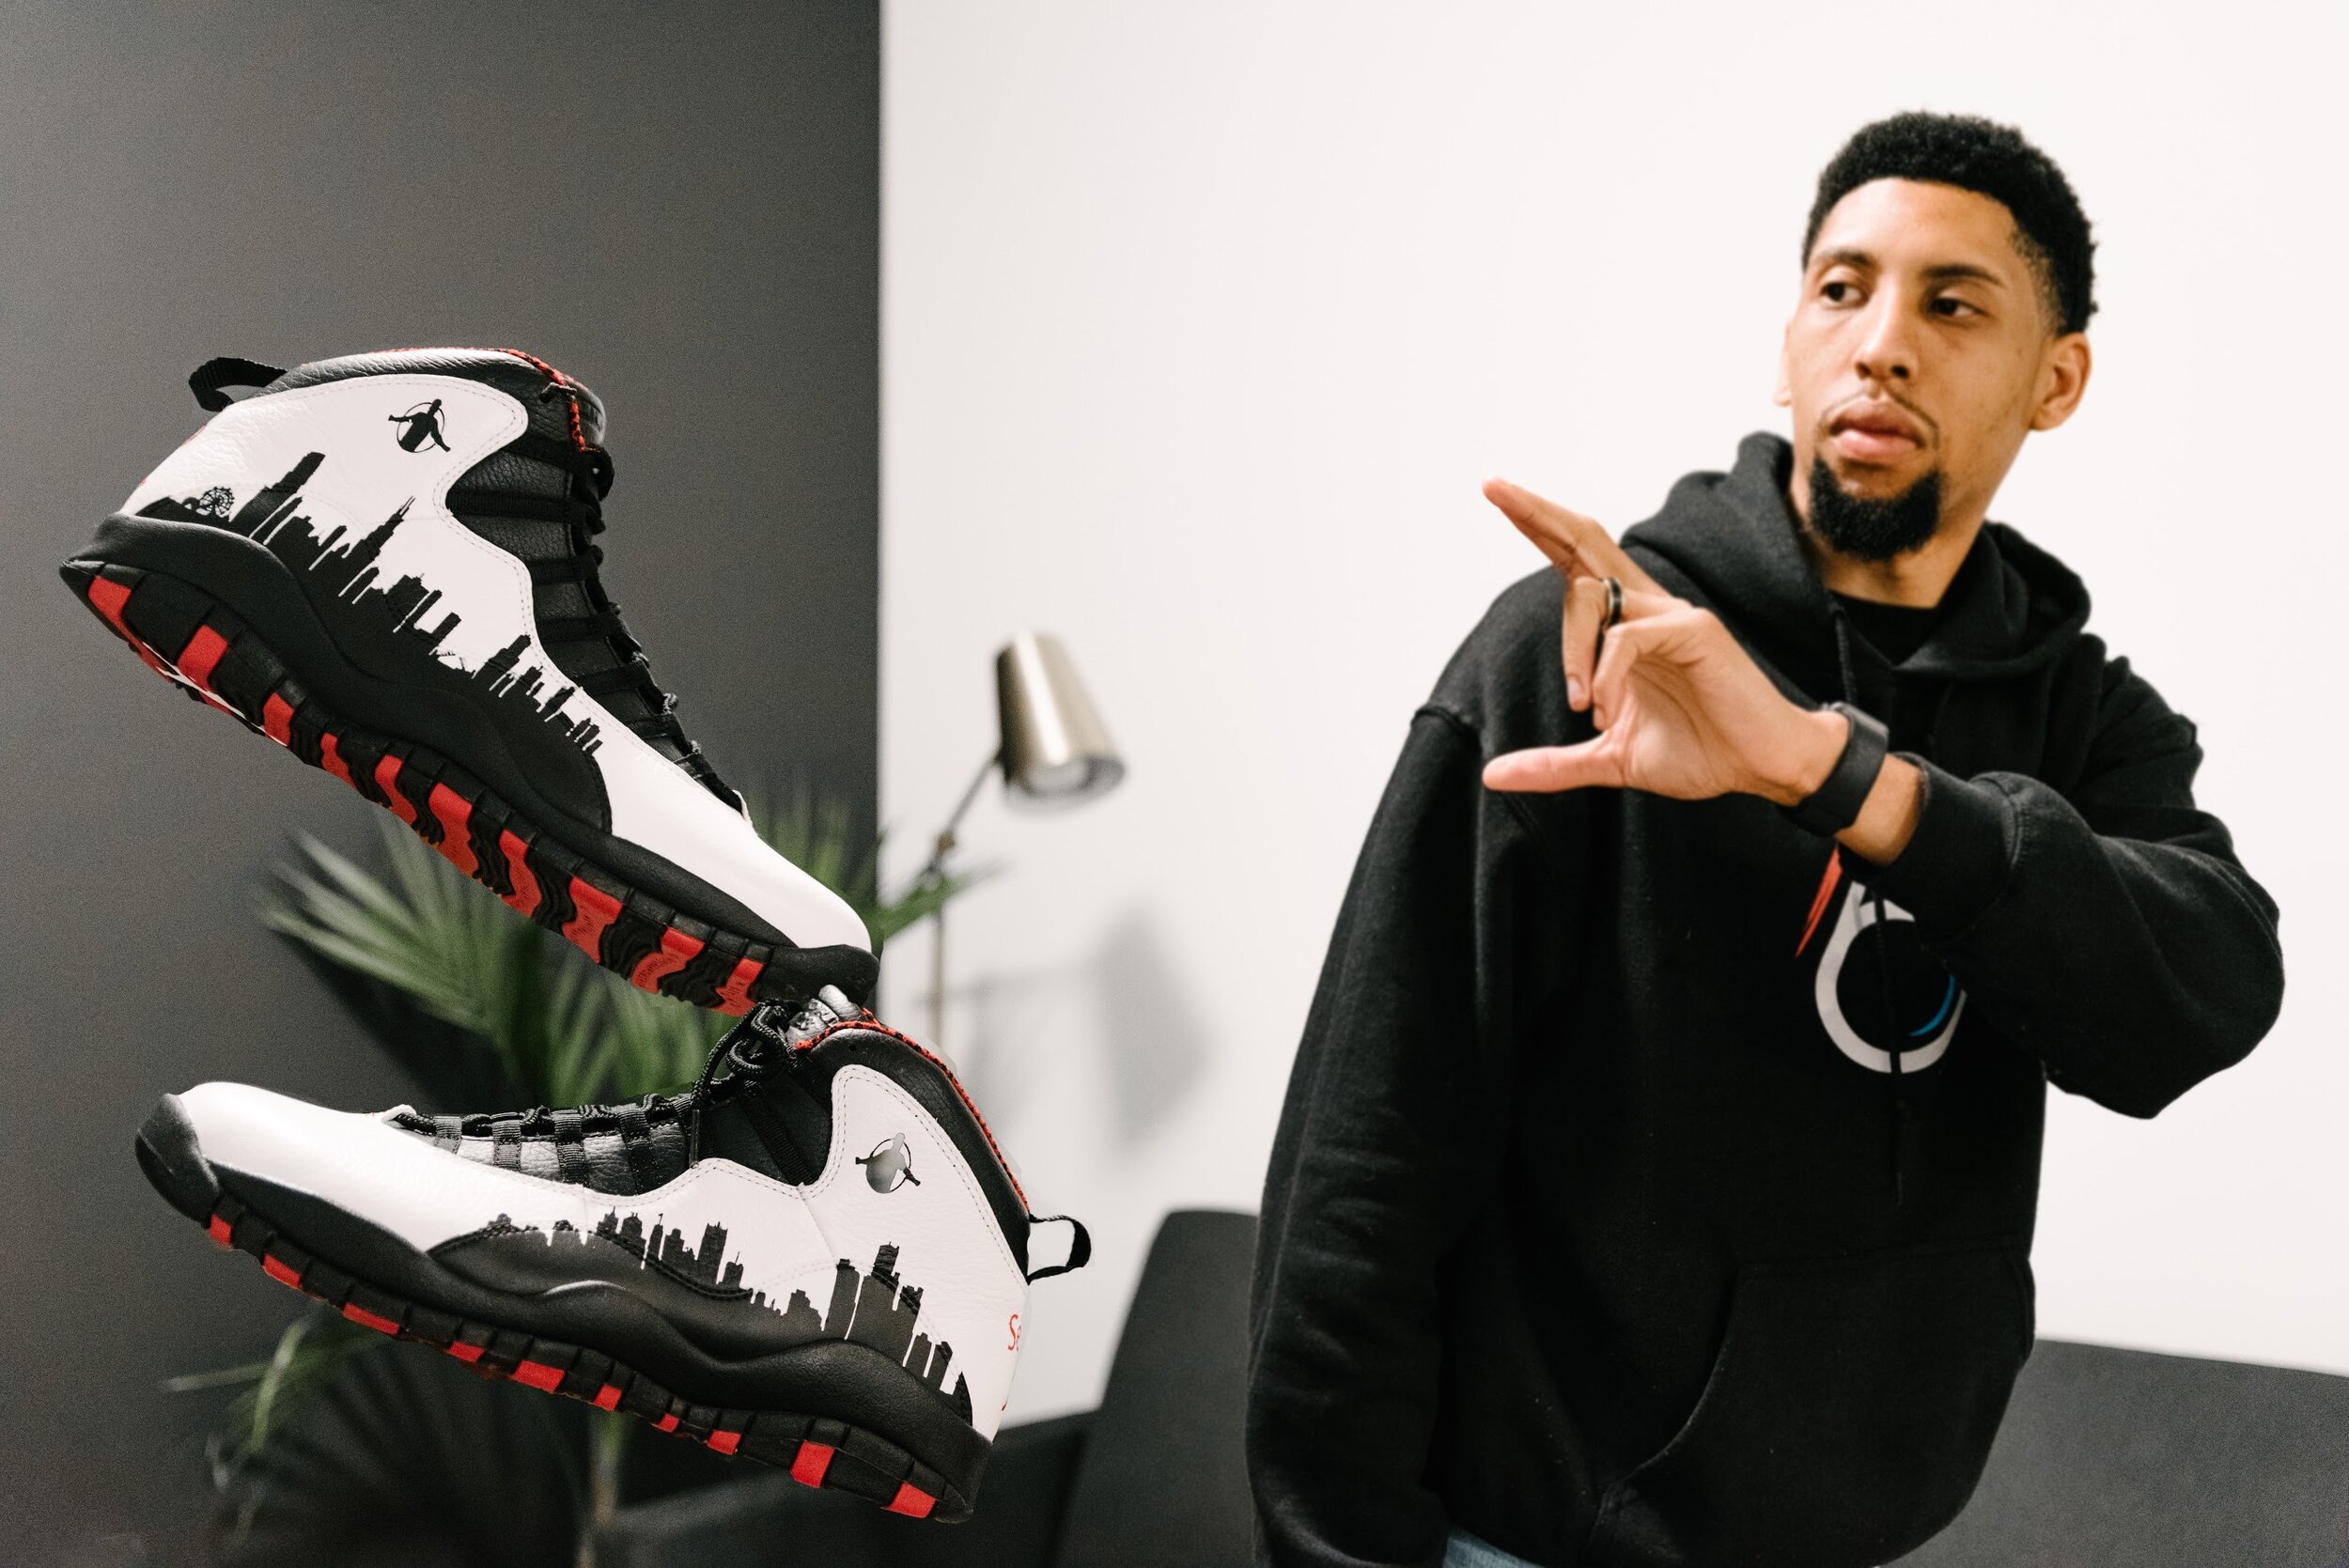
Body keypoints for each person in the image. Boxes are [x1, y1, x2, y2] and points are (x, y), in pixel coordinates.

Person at [1245, 111, 2286, 1568]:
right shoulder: (1587, 649)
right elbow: (1371, 1149)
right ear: (1789, 335)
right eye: (1841, 288)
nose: (1879, 343)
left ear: (2059, 381)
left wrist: (1840, 778)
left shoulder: (2078, 713)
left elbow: (2202, 998)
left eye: (1952, 302)